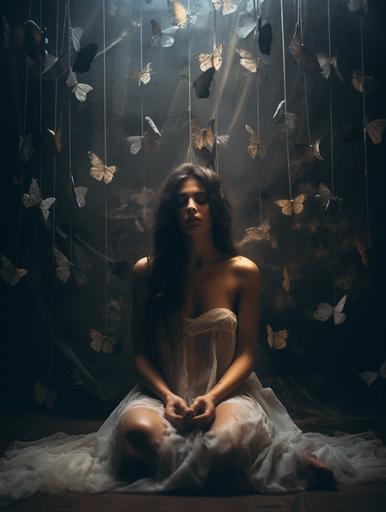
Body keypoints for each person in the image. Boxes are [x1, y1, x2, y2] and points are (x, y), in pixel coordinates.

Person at [1, 163, 386, 502]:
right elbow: (140, 355)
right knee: (135, 432)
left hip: (228, 392)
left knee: (224, 442)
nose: (190, 207)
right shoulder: (146, 271)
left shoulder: (242, 271)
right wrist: (167, 396)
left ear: (214, 208)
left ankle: (240, 458)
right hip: (161, 393)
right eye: (181, 200)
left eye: (200, 199)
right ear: (172, 211)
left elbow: (247, 356)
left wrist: (214, 397)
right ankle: (273, 465)